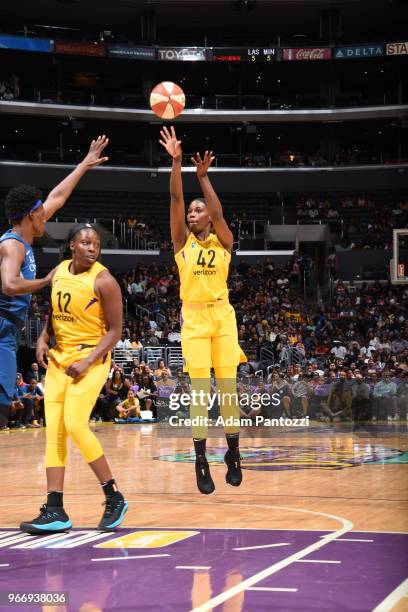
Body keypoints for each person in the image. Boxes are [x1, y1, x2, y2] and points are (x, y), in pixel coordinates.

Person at [20, 223, 127, 534]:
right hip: (59, 358)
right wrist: (43, 337)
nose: (92, 247)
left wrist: (88, 361)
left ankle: (114, 496)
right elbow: (56, 311)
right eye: (85, 242)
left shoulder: (105, 281)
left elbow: (115, 331)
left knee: (76, 424)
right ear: (72, 246)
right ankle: (55, 509)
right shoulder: (59, 271)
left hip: (91, 358)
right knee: (55, 430)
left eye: (96, 244)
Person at [0, 136, 109, 431]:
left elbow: (58, 196)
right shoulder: (14, 245)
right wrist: (46, 280)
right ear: (29, 215)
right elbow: (9, 284)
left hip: (9, 329)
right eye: (40, 212)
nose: (46, 215)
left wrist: (85, 164)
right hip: (2, 328)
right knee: (1, 407)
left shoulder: (26, 233)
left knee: (3, 405)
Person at [159, 125, 246, 495]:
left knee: (227, 390)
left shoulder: (224, 240)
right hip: (193, 319)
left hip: (223, 316)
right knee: (199, 392)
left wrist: (204, 177)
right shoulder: (182, 242)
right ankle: (199, 458)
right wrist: (177, 163)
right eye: (192, 211)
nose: (193, 213)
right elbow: (176, 201)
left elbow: (220, 212)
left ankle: (234, 453)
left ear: (208, 216)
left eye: (199, 210)